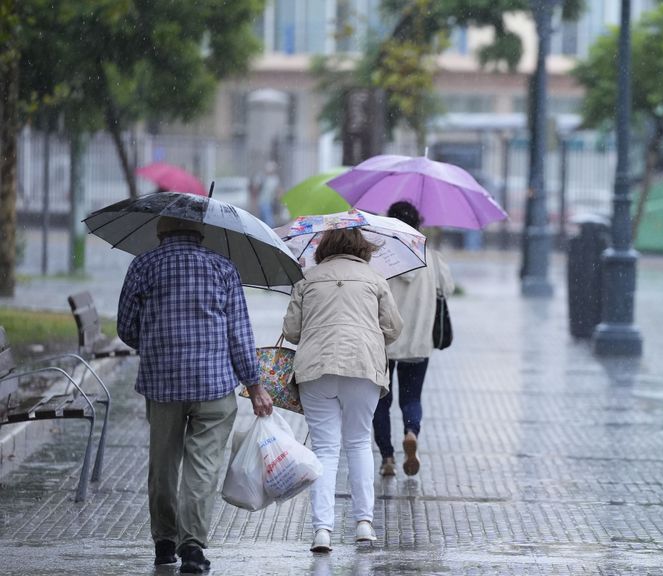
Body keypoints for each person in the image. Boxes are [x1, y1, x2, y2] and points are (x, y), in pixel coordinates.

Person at [117, 216, 273, 574]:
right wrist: (254, 385)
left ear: (160, 230)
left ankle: (164, 544)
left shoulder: (143, 265)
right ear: (201, 232)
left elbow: (126, 328)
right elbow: (239, 335)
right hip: (214, 386)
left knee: (163, 466)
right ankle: (192, 549)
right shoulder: (223, 268)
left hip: (162, 385)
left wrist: (157, 339)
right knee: (202, 468)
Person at [283, 227, 403, 552]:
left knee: (325, 450)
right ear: (362, 248)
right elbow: (393, 328)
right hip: (362, 367)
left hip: (315, 369)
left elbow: (291, 332)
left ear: (324, 247)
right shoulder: (375, 279)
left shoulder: (307, 280)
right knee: (360, 443)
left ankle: (322, 530)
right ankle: (364, 524)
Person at [373, 201, 454, 477]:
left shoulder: (381, 258)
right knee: (412, 398)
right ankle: (410, 431)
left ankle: (387, 457)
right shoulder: (431, 258)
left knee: (381, 401)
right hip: (418, 342)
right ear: (418, 224)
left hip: (382, 341)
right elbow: (449, 289)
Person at [257, 161, 281, 225]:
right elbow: (257, 188)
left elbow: (277, 190)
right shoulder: (263, 177)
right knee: (265, 219)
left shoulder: (275, 179)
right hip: (263, 201)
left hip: (270, 201)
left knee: (266, 219)